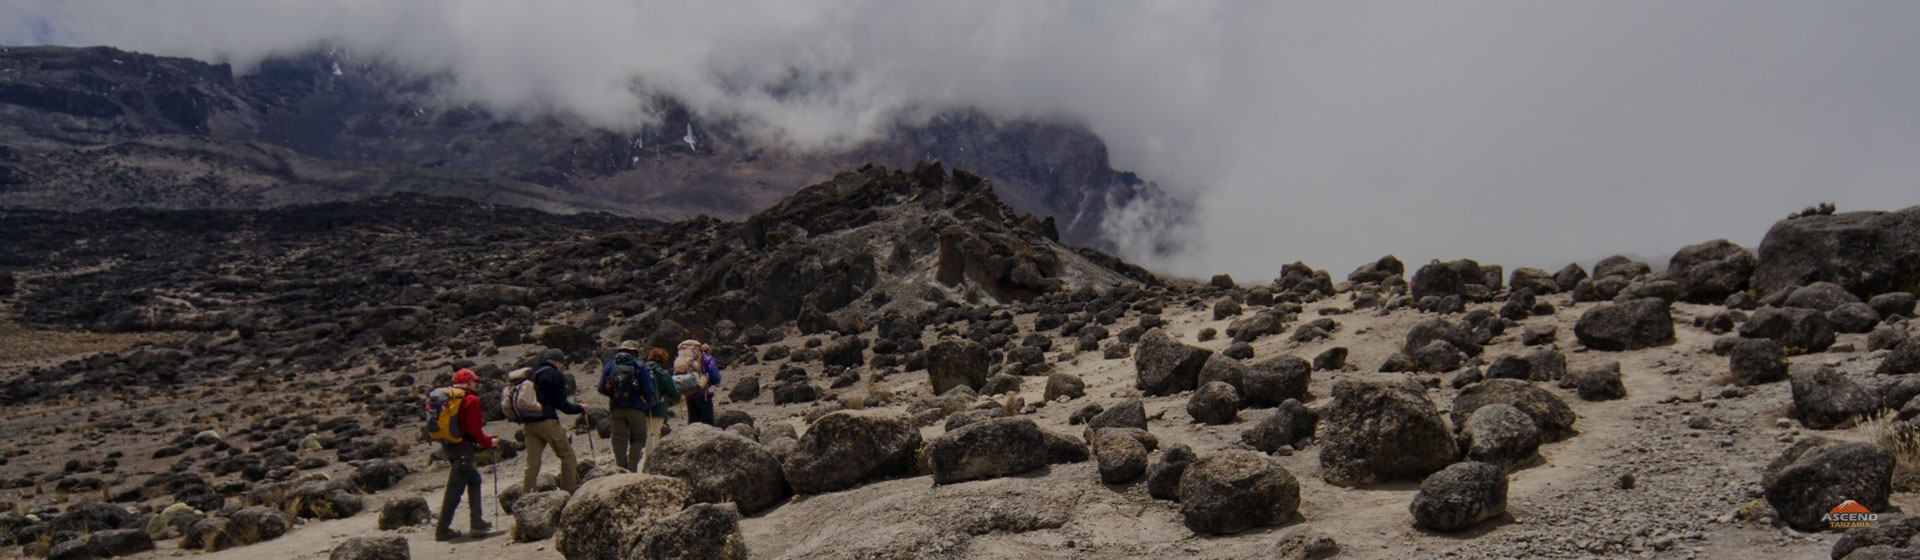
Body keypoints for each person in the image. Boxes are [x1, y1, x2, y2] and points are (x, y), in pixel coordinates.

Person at [436, 368, 494, 541]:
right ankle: (442, 530)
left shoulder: (448, 398)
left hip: (449, 446)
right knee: (454, 491)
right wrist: (490, 443)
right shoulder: (471, 401)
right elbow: (474, 431)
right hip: (462, 448)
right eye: (474, 381)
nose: (476, 384)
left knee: (474, 479)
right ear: (468, 382)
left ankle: (477, 520)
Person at [517, 348, 587, 492]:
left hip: (529, 422)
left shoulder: (530, 373)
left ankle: (528, 494)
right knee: (567, 456)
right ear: (556, 362)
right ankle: (568, 493)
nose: (562, 367)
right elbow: (562, 405)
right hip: (547, 422)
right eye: (562, 364)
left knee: (532, 461)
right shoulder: (553, 374)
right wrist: (580, 408)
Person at [597, 341, 658, 472]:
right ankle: (632, 468)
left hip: (616, 408)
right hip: (636, 408)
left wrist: (613, 396)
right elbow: (648, 389)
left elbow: (601, 388)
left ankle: (621, 469)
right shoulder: (639, 366)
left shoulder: (610, 366)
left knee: (619, 441)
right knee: (638, 439)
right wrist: (648, 403)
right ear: (634, 352)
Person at [638, 348, 679, 471]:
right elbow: (674, 392)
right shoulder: (662, 373)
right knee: (653, 434)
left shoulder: (640, 369)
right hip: (658, 409)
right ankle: (649, 465)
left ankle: (639, 463)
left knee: (643, 436)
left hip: (640, 408)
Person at [675, 339, 719, 425]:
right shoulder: (706, 358)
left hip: (688, 395)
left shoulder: (684, 359)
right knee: (708, 425)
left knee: (693, 424)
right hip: (704, 395)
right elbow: (716, 378)